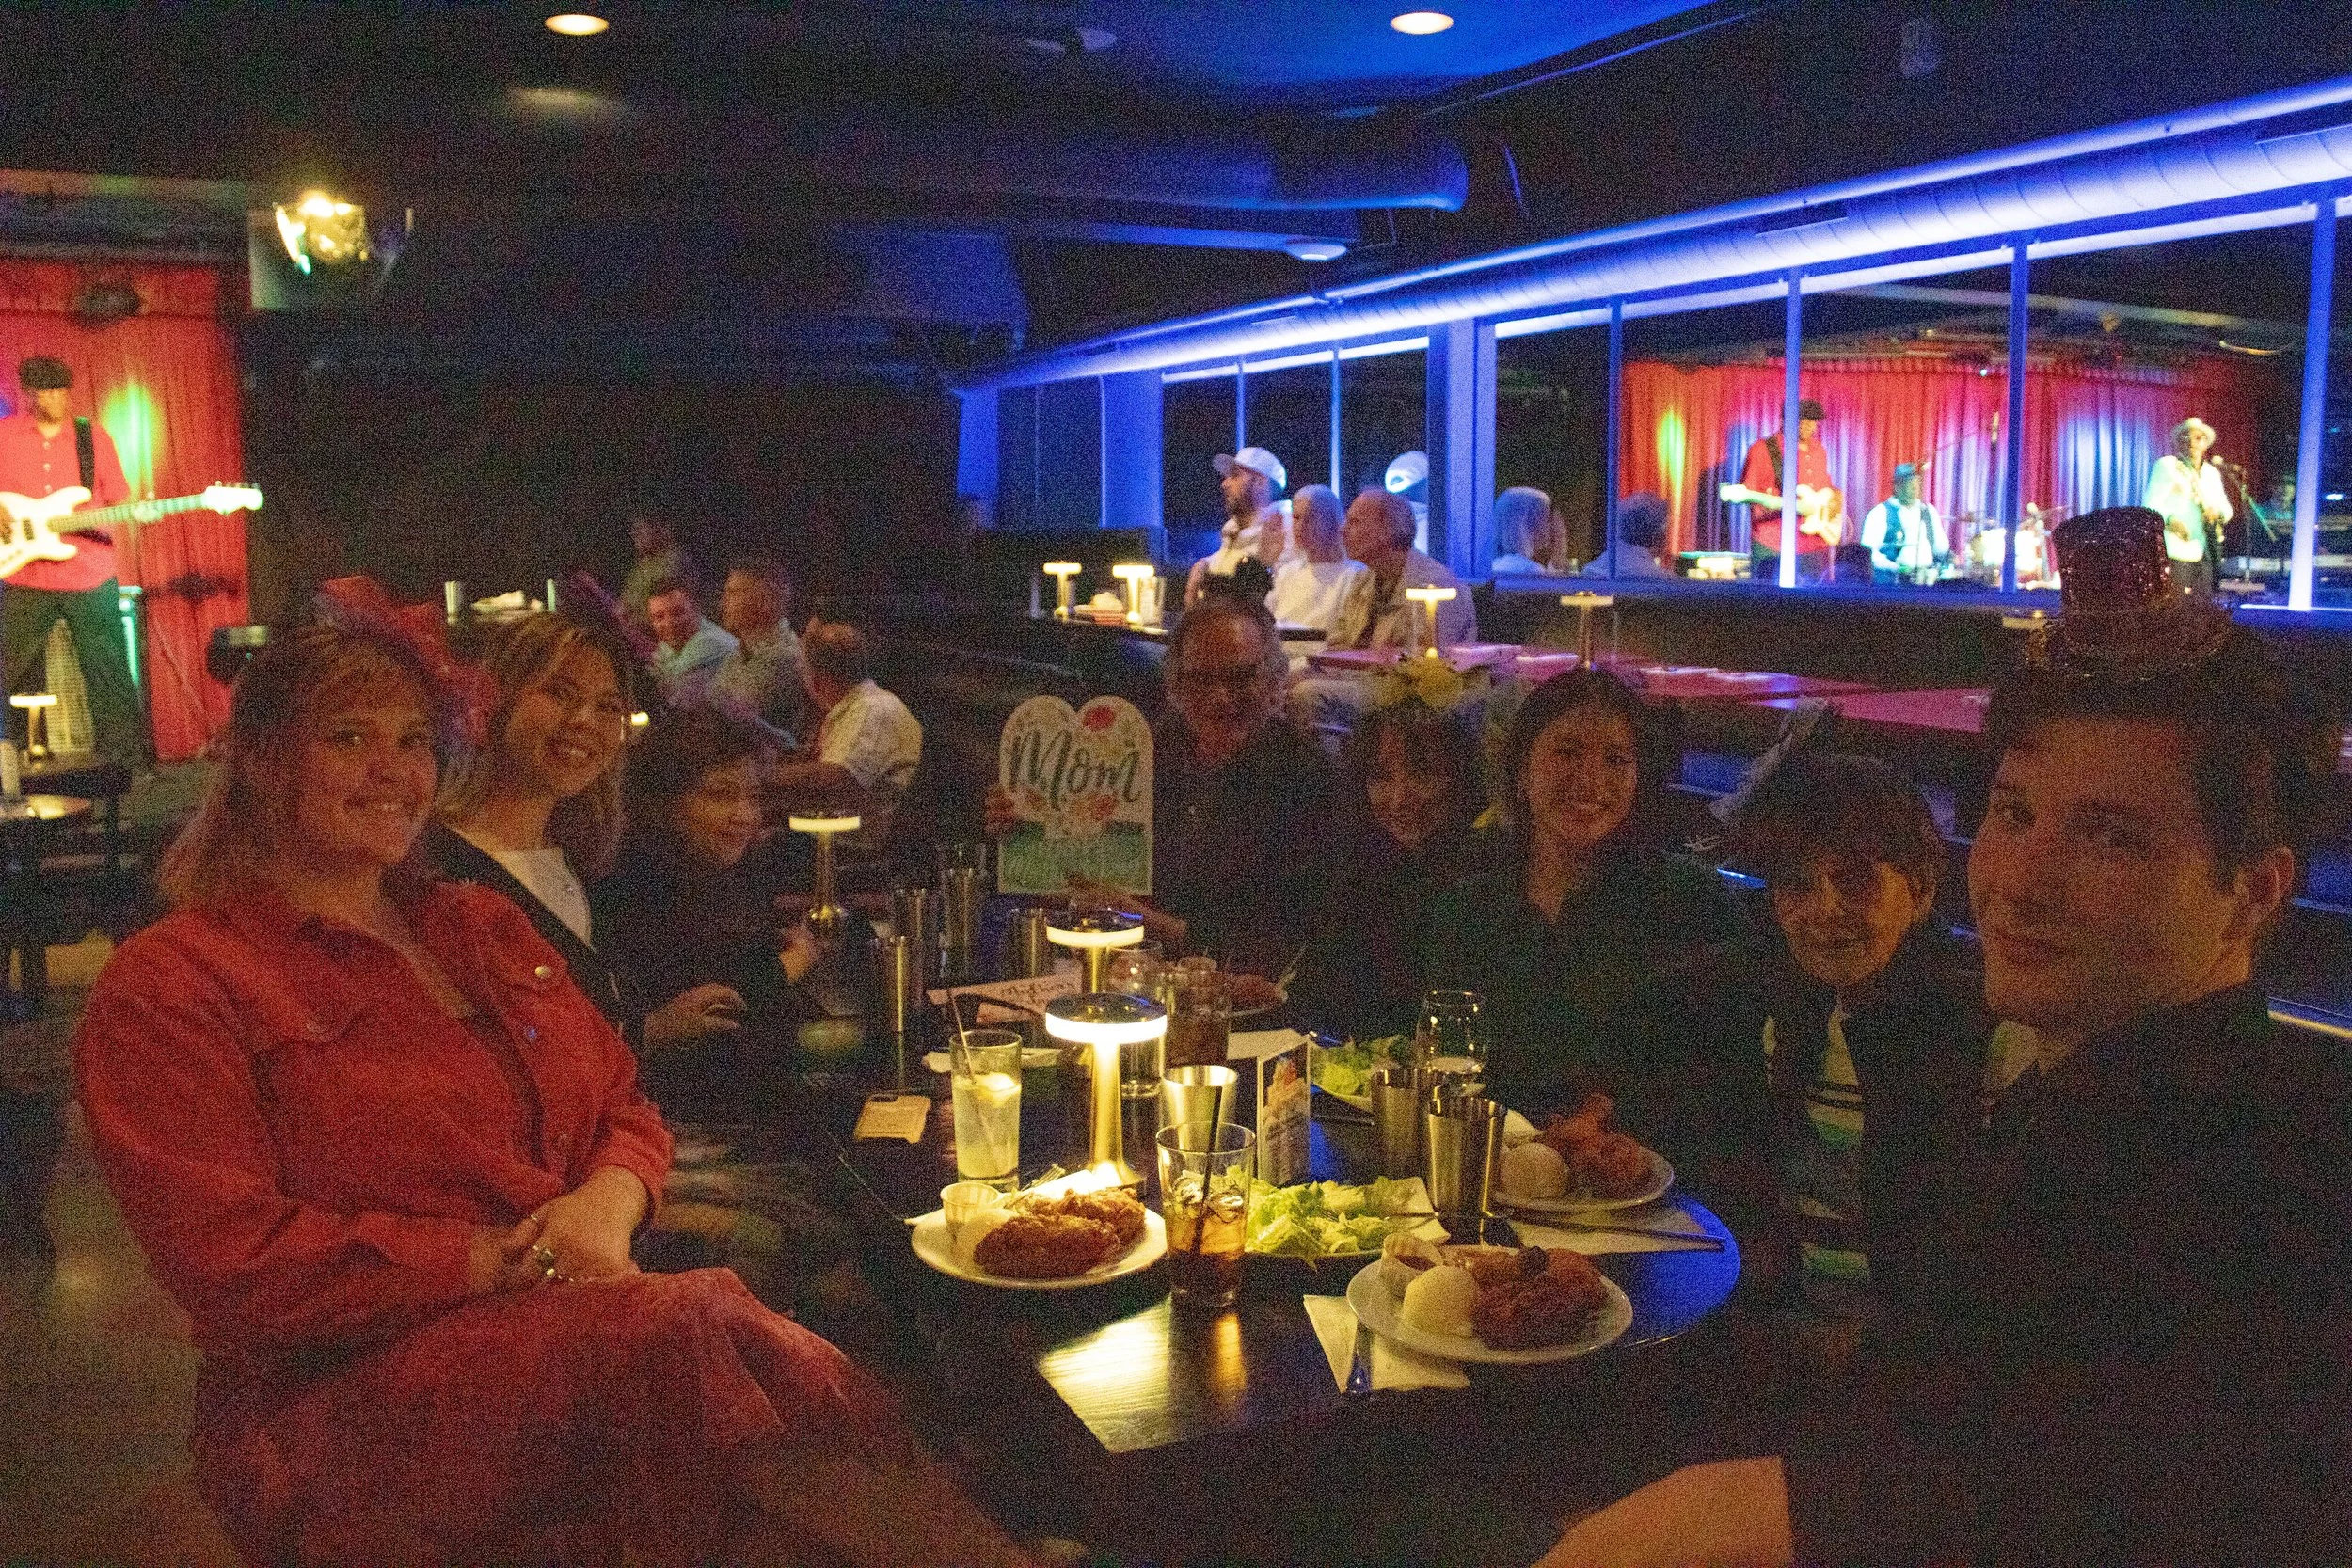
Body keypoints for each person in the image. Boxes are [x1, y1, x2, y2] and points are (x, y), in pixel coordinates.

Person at [72, 610, 1040, 1567]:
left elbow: (623, 1100)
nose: (393, 768)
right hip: (346, 1392)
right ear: (264, 761)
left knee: (731, 1415)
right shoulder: (176, 982)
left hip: (568, 1327)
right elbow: (234, 1262)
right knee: (691, 1330)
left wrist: (608, 1197)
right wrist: (500, 1260)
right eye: (348, 735)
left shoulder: (476, 923)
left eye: (412, 739)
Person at [1544, 507, 2349, 1568]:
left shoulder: (2206, 1175)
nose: (2022, 878)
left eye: (2110, 833)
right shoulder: (2090, 1104)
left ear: (2252, 890)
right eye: (2015, 813)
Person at [1721, 752, 1997, 1325]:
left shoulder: (1976, 1030)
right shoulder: (1779, 1008)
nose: (1825, 909)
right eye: (1798, 883)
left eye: (1855, 880)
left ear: (1919, 891)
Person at [1422, 669, 1746, 1141]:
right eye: (1568, 752)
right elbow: (1447, 1065)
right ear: (1522, 770)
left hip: (1643, 1180)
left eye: (1616, 760)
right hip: (1494, 1166)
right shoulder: (1468, 906)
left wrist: (1611, 1122)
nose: (1590, 780)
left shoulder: (1689, 903)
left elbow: (1724, 1085)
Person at [425, 610, 746, 1055]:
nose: (585, 720)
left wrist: (648, 1027)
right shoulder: (437, 865)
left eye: (607, 706)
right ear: (495, 704)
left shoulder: (588, 863)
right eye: (561, 693)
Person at [990, 594, 1337, 977]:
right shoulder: (1144, 757)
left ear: (1274, 681)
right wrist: (1026, 829)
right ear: (1175, 686)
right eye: (1201, 679)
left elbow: (1277, 949)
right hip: (1123, 972)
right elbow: (1075, 882)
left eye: (1240, 677)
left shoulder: (1307, 781)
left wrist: (1143, 919)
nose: (1221, 698)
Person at [1288, 693, 1486, 1040]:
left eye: (1421, 774)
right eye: (1381, 777)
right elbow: (1318, 998)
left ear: (1458, 777)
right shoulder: (1354, 866)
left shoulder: (1486, 878)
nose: (1399, 797)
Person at [0, 355, 145, 765]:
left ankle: (124, 763)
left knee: (108, 669)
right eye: (47, 390)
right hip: (23, 570)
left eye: (62, 389)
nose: (57, 398)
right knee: (8, 668)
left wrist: (130, 513)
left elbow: (118, 497)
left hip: (88, 570)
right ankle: (10, 758)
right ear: (29, 393)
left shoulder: (92, 438)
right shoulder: (4, 435)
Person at [771, 619, 922, 851]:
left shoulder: (872, 708)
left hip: (855, 848)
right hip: (831, 837)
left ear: (818, 676)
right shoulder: (853, 707)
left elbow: (836, 777)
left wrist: (763, 775)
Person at [1328, 487, 1477, 650]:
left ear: (1387, 531)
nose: (1342, 530)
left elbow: (1424, 665)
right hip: (1352, 675)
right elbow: (1337, 642)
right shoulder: (1363, 579)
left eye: (1354, 522)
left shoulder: (1435, 587)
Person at [1738, 398, 1843, 580]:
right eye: (1804, 419)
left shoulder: (1819, 450)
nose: (1810, 425)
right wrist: (1774, 504)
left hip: (1814, 544)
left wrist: (1831, 508)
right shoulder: (1762, 450)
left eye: (1814, 420)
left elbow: (1825, 489)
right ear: (1786, 419)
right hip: (1773, 542)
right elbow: (1749, 493)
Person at [708, 553, 809, 742]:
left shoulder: (784, 657)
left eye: (733, 593)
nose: (723, 603)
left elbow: (730, 719)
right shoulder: (743, 650)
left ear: (766, 602)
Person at [1184, 445, 1287, 607]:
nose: (1224, 484)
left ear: (1261, 482)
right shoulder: (1232, 531)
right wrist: (1204, 564)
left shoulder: (1284, 532)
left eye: (1235, 475)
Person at [2141, 415, 2230, 596]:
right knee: (2176, 608)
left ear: (2206, 444)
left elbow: (2227, 510)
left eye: (2198, 438)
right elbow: (2149, 506)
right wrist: (2170, 520)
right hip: (2175, 550)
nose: (2191, 441)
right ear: (2177, 442)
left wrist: (2217, 513)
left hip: (2205, 550)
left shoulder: (2212, 474)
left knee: (2202, 609)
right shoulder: (2168, 466)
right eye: (2185, 436)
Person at [1265, 484, 1367, 636]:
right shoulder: (1286, 573)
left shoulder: (1356, 575)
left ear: (1333, 522)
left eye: (1311, 518)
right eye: (1297, 517)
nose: (1301, 527)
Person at [644, 575, 738, 708]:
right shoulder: (667, 646)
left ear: (696, 610)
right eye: (659, 617)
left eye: (677, 613)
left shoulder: (709, 642)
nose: (669, 624)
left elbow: (671, 702)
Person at [1857, 462, 1949, 585]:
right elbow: (1868, 552)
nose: (1914, 489)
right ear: (1897, 487)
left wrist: (1948, 556)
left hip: (1927, 580)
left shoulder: (1929, 511)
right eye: (1910, 484)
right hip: (1894, 583)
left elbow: (1940, 547)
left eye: (1917, 484)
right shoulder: (1880, 513)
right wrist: (1895, 567)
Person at [618, 511, 695, 632]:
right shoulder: (643, 564)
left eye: (640, 530)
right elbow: (625, 601)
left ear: (659, 528)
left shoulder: (673, 561)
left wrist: (631, 622)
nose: (635, 536)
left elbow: (664, 609)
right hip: (633, 631)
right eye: (634, 532)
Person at [1581, 491, 1676, 579]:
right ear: (1657, 536)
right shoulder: (1664, 582)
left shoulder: (1590, 571)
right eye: (1666, 530)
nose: (1666, 538)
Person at [1492, 486, 1563, 576]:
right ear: (1528, 523)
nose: (1550, 526)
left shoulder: (1492, 565)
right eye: (1546, 518)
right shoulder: (1530, 570)